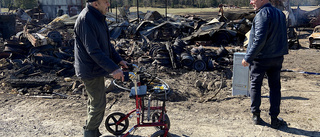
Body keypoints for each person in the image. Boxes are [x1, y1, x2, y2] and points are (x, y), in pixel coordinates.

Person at [74, 0, 128, 136]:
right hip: (90, 70)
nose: (108, 5)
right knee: (98, 104)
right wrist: (113, 69)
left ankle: (92, 130)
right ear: (95, 4)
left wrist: (119, 60)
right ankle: (90, 133)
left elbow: (107, 45)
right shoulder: (86, 19)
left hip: (95, 67)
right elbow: (93, 51)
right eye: (105, 2)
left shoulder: (98, 17)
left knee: (95, 102)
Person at [242, 0, 288, 129]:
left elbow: (259, 40)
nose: (251, 2)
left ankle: (256, 115)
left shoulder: (262, 14)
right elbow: (282, 36)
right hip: (277, 57)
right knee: (275, 87)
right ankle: (274, 118)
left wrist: (248, 58)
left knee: (255, 85)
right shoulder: (280, 14)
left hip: (261, 59)